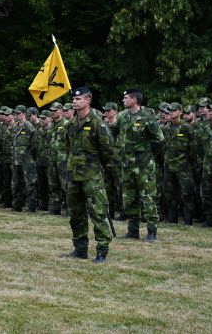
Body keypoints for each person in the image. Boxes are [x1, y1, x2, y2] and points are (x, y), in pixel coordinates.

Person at [60, 87, 115, 263]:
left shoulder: (99, 124)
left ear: (88, 100)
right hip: (74, 177)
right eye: (74, 100)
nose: (75, 102)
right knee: (76, 215)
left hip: (92, 177)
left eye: (79, 99)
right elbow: (68, 147)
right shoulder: (71, 125)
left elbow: (107, 150)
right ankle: (80, 249)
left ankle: (102, 251)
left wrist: (96, 167)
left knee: (98, 214)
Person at [115, 88, 164, 241]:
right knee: (129, 198)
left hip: (144, 166)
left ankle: (151, 232)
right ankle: (133, 231)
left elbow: (159, 140)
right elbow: (112, 132)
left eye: (126, 98)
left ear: (134, 100)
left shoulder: (147, 117)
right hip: (127, 165)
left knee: (148, 198)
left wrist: (148, 156)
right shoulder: (123, 117)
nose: (123, 100)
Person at [163, 102, 198, 225]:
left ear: (180, 112)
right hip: (169, 166)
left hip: (183, 166)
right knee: (170, 194)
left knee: (187, 194)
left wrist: (189, 163)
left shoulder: (187, 128)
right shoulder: (165, 128)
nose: (171, 113)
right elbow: (163, 147)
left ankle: (188, 220)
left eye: (174, 110)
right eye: (170, 111)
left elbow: (193, 149)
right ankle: (172, 219)